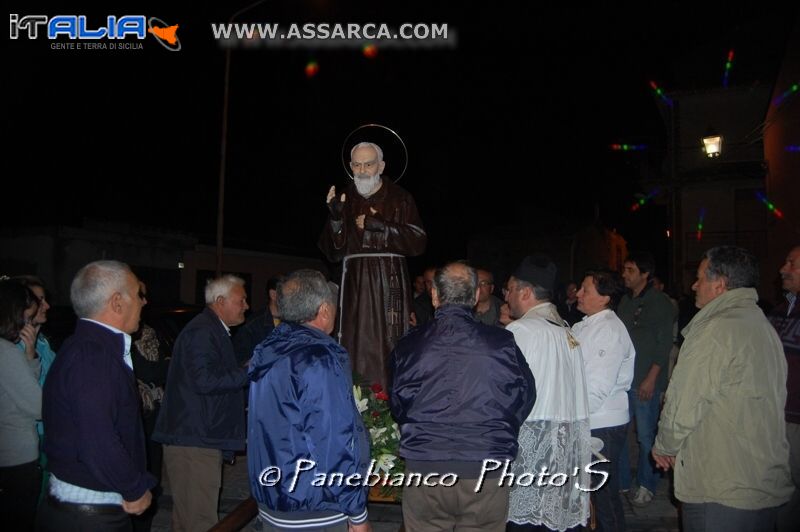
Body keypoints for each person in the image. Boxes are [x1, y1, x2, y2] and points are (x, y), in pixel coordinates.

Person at [653, 246, 793, 531]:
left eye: (701, 277)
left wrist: (665, 445)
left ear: (720, 284)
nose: (694, 285)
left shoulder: (715, 329)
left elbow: (684, 403)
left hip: (721, 485)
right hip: (755, 477)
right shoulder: (760, 323)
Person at [391, 262, 535, 530]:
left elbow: (399, 402)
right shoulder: (501, 342)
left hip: (427, 465)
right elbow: (524, 395)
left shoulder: (410, 344)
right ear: (475, 295)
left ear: (435, 295)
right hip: (485, 466)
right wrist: (500, 428)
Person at [248, 269, 371, 531]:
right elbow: (333, 439)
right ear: (324, 310)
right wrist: (357, 511)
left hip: (275, 499)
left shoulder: (270, 350)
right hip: (312, 506)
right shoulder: (317, 359)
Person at [38, 260, 155, 532]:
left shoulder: (88, 348)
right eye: (139, 294)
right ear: (117, 302)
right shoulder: (93, 357)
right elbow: (98, 438)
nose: (144, 302)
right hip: (89, 516)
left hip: (87, 510)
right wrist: (134, 488)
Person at [318, 141, 427, 387]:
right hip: (354, 285)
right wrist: (336, 219)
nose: (363, 170)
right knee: (354, 342)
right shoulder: (344, 199)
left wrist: (381, 227)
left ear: (381, 165)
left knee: (389, 343)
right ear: (350, 166)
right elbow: (332, 253)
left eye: (368, 164)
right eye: (357, 165)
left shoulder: (400, 198)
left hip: (388, 282)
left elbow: (418, 241)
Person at [153, 275, 249, 532]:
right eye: (241, 300)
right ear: (220, 301)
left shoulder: (210, 329)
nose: (246, 306)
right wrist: (248, 371)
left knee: (188, 517)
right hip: (195, 440)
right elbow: (205, 381)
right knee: (200, 520)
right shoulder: (203, 332)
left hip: (196, 436)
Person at [504, 254, 591, 531]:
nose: (505, 297)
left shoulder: (520, 330)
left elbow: (506, 392)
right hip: (564, 448)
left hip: (532, 447)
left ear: (525, 292)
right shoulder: (566, 331)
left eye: (509, 290)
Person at [571, 269, 635, 532]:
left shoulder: (608, 330)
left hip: (601, 425)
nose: (578, 293)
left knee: (604, 497)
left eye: (586, 290)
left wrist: (573, 420)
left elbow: (595, 389)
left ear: (605, 297)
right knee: (594, 496)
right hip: (592, 421)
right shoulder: (586, 324)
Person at [616, 252, 674, 505]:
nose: (624, 275)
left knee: (646, 435)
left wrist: (651, 379)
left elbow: (663, 346)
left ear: (644, 274)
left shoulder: (659, 302)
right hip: (624, 380)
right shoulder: (626, 302)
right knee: (619, 431)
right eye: (624, 269)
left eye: (630, 270)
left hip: (644, 381)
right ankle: (621, 483)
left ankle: (647, 483)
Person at [0, 279, 42, 531]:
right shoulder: (5, 351)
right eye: (26, 318)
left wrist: (29, 357)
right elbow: (37, 406)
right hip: (15, 458)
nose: (28, 325)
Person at [129, 282, 169, 532]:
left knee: (152, 475)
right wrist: (167, 366)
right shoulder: (122, 336)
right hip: (137, 413)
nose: (145, 301)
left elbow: (161, 368)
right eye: (139, 295)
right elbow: (148, 369)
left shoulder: (150, 332)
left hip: (154, 412)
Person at [12, 275, 56, 497]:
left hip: (48, 431)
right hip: (30, 436)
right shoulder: (14, 347)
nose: (46, 305)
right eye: (39, 300)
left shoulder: (43, 342)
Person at [769, 245, 800, 531]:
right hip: (780, 417)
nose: (783, 268)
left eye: (791, 263)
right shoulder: (780, 311)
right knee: (784, 493)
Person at [232, 275, 282, 366]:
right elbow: (240, 362)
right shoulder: (251, 325)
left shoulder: (294, 322)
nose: (294, 299)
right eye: (289, 294)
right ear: (273, 295)